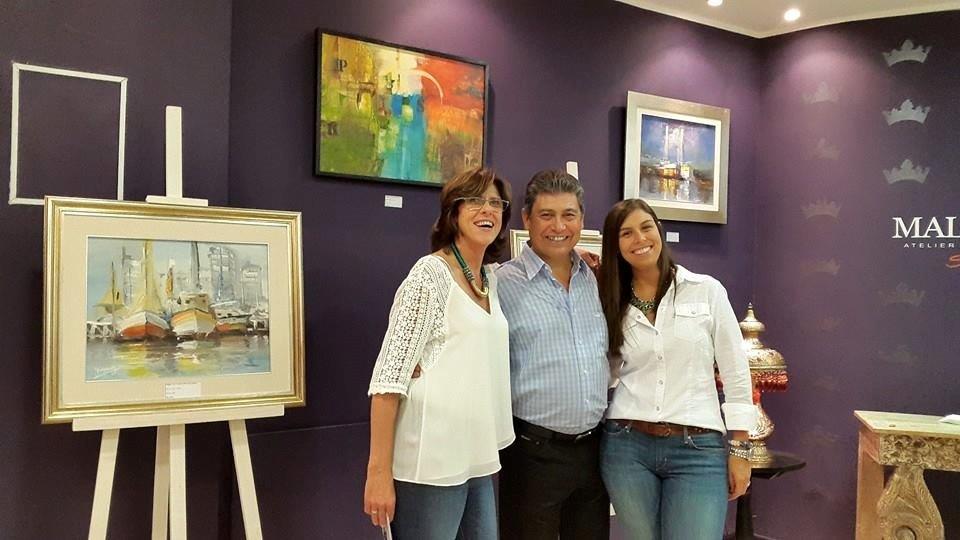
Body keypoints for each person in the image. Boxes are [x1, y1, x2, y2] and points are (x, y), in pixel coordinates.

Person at [363, 167, 515, 540]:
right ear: (454, 212)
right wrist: (378, 474)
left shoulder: (489, 279)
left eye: (495, 203)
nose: (487, 210)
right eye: (476, 201)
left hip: (474, 459)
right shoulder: (429, 276)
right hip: (429, 462)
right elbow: (388, 379)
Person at [596, 198, 756, 540]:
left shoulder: (706, 291)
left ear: (659, 230)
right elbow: (604, 370)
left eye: (646, 227)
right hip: (627, 448)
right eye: (626, 233)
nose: (639, 238)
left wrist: (741, 449)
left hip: (697, 451)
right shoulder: (609, 300)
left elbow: (736, 370)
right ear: (615, 244)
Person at [495, 169, 610, 539]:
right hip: (532, 453)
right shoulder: (499, 283)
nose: (558, 226)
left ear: (581, 219)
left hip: (595, 450)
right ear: (527, 219)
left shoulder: (599, 278)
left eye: (569, 215)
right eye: (547, 215)